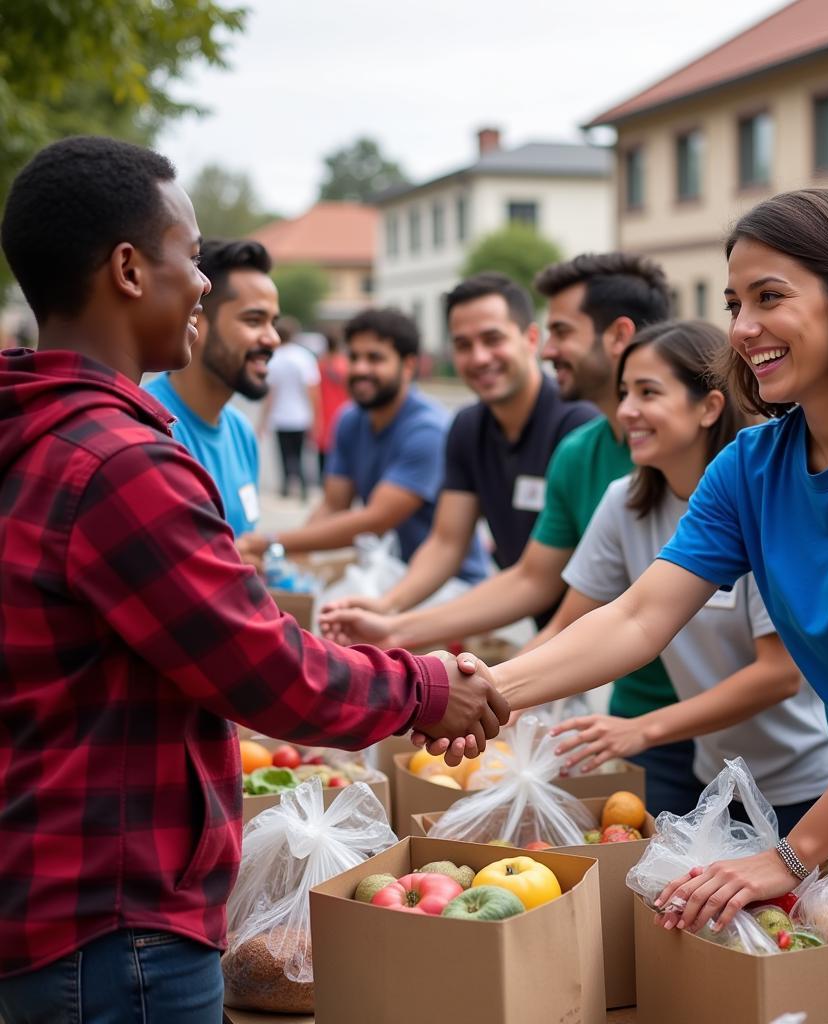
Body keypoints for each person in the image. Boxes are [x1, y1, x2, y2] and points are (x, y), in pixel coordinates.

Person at [434, 189, 828, 1022]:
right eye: (734, 303)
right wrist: (485, 690)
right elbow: (639, 617)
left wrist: (793, 854)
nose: (743, 327)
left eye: (771, 296)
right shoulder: (753, 464)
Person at [0, 135, 507, 1024]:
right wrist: (429, 687)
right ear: (127, 269)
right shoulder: (119, 464)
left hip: (49, 896)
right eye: (189, 256)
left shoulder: (37, 431)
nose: (201, 283)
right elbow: (268, 669)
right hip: (114, 927)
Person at [322, 253, 704, 816]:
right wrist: (403, 630)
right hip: (625, 704)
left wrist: (473, 690)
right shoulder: (592, 464)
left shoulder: (727, 473)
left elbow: (765, 669)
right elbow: (537, 583)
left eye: (559, 332)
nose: (549, 350)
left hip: (716, 731)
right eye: (463, 343)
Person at [525, 319, 828, 832]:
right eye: (624, 392)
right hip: (713, 779)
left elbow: (779, 674)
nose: (626, 410)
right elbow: (570, 626)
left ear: (709, 407)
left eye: (648, 392)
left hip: (805, 789)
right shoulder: (624, 503)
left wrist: (641, 730)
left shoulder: (762, 502)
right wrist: (493, 697)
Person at [333, 272, 597, 623]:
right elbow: (447, 542)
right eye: (463, 345)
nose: (479, 357)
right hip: (540, 624)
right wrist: (387, 606)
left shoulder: (577, 425)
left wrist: (397, 627)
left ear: (531, 338)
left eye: (493, 339)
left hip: (595, 630)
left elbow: (546, 579)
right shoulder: (467, 427)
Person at [237, 308, 489, 585]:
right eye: (354, 357)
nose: (360, 369)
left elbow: (376, 519)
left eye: (375, 358)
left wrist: (272, 543)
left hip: (450, 582)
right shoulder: (350, 419)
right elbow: (333, 505)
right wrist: (283, 561)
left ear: (408, 366)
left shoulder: (428, 429)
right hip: (387, 569)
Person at [145, 238, 278, 536]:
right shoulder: (151, 428)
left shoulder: (242, 432)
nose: (273, 339)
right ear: (198, 321)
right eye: (254, 320)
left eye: (274, 323)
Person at [261, 315, 320, 501]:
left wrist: (264, 419)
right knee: (300, 453)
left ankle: (287, 485)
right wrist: (317, 417)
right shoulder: (304, 357)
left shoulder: (274, 358)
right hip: (301, 415)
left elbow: (271, 393)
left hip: (280, 415)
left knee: (284, 453)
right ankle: (302, 486)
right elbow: (312, 390)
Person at [315, 329, 349, 481]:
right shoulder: (345, 364)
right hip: (342, 411)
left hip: (323, 411)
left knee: (323, 451)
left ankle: (324, 480)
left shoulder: (320, 364)